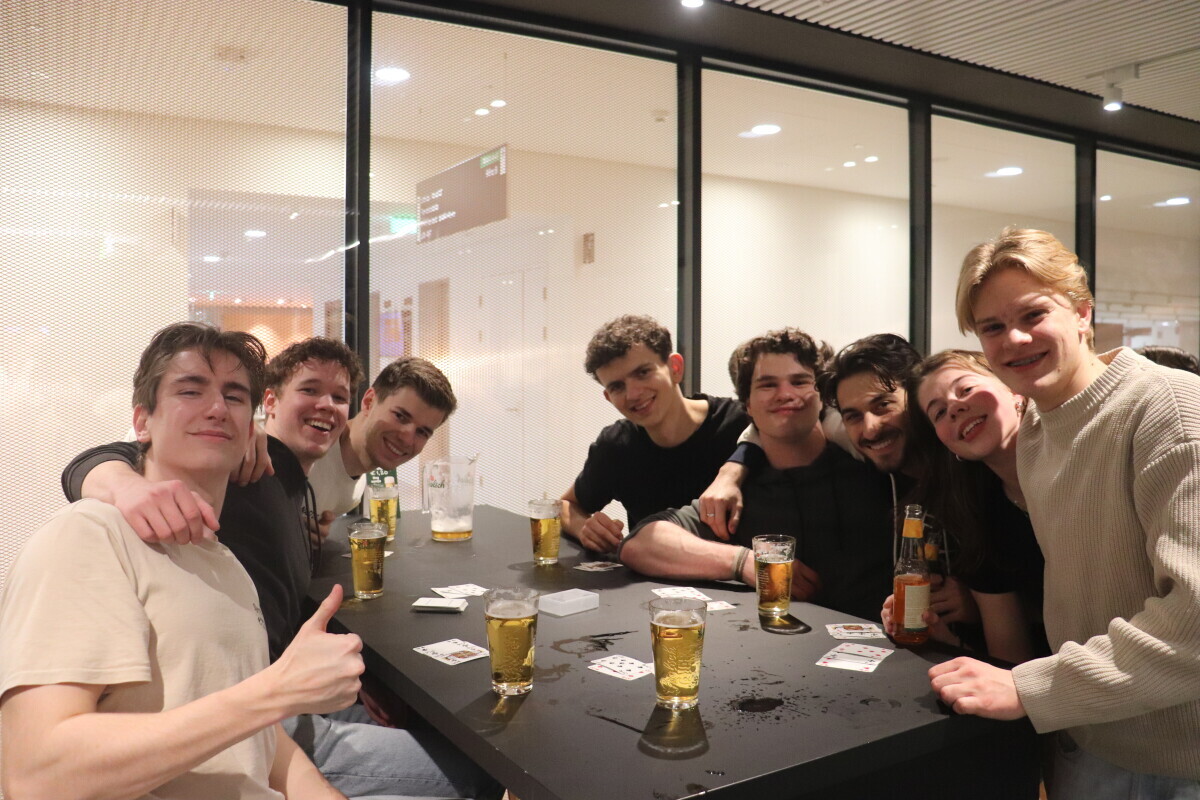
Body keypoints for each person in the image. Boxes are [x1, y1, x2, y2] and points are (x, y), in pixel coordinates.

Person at [61, 337, 499, 800]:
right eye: (309, 390)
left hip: (272, 692)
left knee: (445, 733)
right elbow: (109, 457)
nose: (408, 437)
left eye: (338, 397)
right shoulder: (249, 464)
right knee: (476, 769)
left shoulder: (308, 487)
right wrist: (124, 485)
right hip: (253, 708)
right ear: (268, 403)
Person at [0, 322, 366, 798]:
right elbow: (34, 776)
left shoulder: (225, 563)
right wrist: (277, 690)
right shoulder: (89, 536)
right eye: (191, 391)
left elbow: (256, 738)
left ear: (251, 430)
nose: (217, 408)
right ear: (142, 423)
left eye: (234, 397)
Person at [929, 227, 1200, 796]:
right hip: (1086, 736)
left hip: (1177, 761)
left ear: (1082, 312)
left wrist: (1032, 688)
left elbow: (1194, 621)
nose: (1014, 338)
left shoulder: (1169, 408)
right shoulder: (1035, 429)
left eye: (1033, 314)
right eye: (992, 327)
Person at [620, 328, 894, 621]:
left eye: (800, 381)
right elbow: (639, 544)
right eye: (767, 385)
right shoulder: (736, 496)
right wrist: (745, 562)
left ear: (822, 396)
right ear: (747, 405)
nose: (785, 394)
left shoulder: (878, 471)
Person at [881, 350, 1049, 664]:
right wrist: (943, 638)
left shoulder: (1077, 464)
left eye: (966, 389)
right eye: (939, 412)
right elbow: (1009, 659)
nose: (955, 408)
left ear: (1014, 390)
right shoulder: (981, 516)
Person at [819, 334, 978, 632]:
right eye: (853, 416)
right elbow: (781, 419)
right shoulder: (861, 456)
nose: (870, 429)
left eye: (883, 405)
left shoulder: (974, 462)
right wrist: (736, 466)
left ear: (917, 398)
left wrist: (981, 602)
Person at [561, 314, 751, 553]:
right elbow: (565, 505)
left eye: (643, 373)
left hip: (746, 574)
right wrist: (584, 527)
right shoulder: (616, 446)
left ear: (675, 368)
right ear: (609, 397)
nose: (633, 394)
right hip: (652, 574)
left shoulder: (743, 424)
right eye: (617, 386)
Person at [307, 356, 457, 523]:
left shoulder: (353, 494)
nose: (407, 440)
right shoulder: (309, 447)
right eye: (400, 416)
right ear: (369, 402)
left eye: (422, 432)